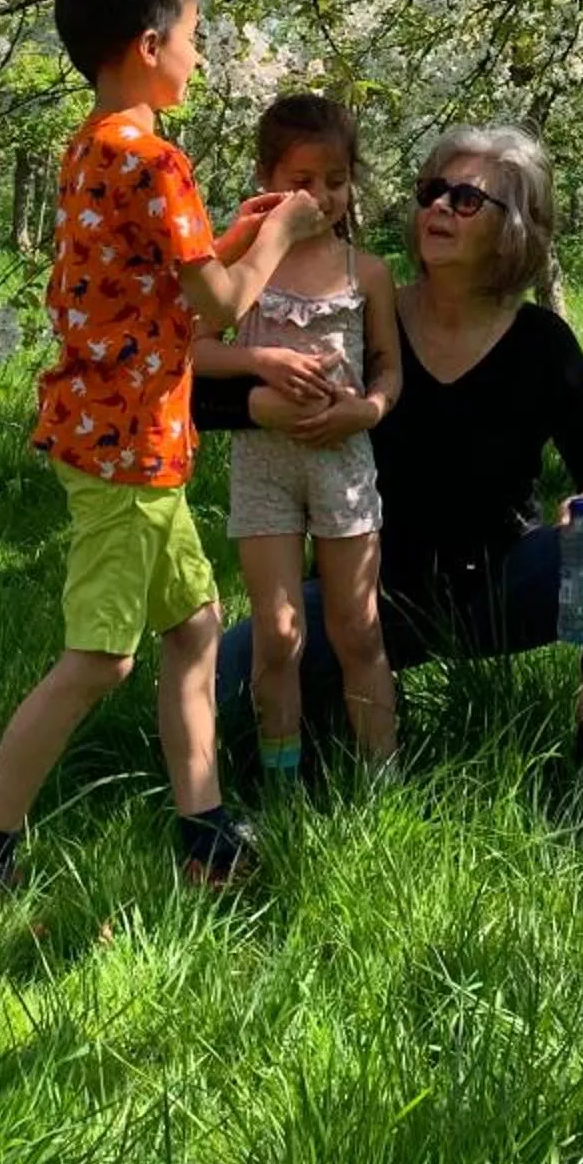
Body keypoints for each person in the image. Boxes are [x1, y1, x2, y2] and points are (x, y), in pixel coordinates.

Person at [0, 0, 328, 910]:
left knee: (194, 628)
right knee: (100, 658)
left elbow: (165, 291)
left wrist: (237, 227)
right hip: (125, 449)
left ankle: (205, 836)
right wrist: (284, 228)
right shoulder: (151, 156)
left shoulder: (94, 145)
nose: (200, 55)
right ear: (150, 44)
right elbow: (225, 306)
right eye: (194, 36)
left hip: (117, 431)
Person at [198, 123, 583, 748]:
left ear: (511, 227)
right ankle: (322, 750)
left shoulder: (542, 343)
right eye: (432, 192)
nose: (439, 206)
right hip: (367, 592)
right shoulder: (361, 309)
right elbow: (194, 394)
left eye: (466, 200)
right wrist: (262, 405)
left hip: (501, 585)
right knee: (224, 685)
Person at [193, 93, 403, 783]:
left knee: (357, 628)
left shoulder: (365, 272)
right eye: (300, 182)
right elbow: (193, 350)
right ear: (267, 180)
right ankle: (279, 776)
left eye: (336, 181)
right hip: (263, 466)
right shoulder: (244, 265)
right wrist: (262, 360)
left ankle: (381, 778)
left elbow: (388, 372)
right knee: (278, 634)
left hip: (343, 464)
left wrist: (366, 412)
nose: (320, 197)